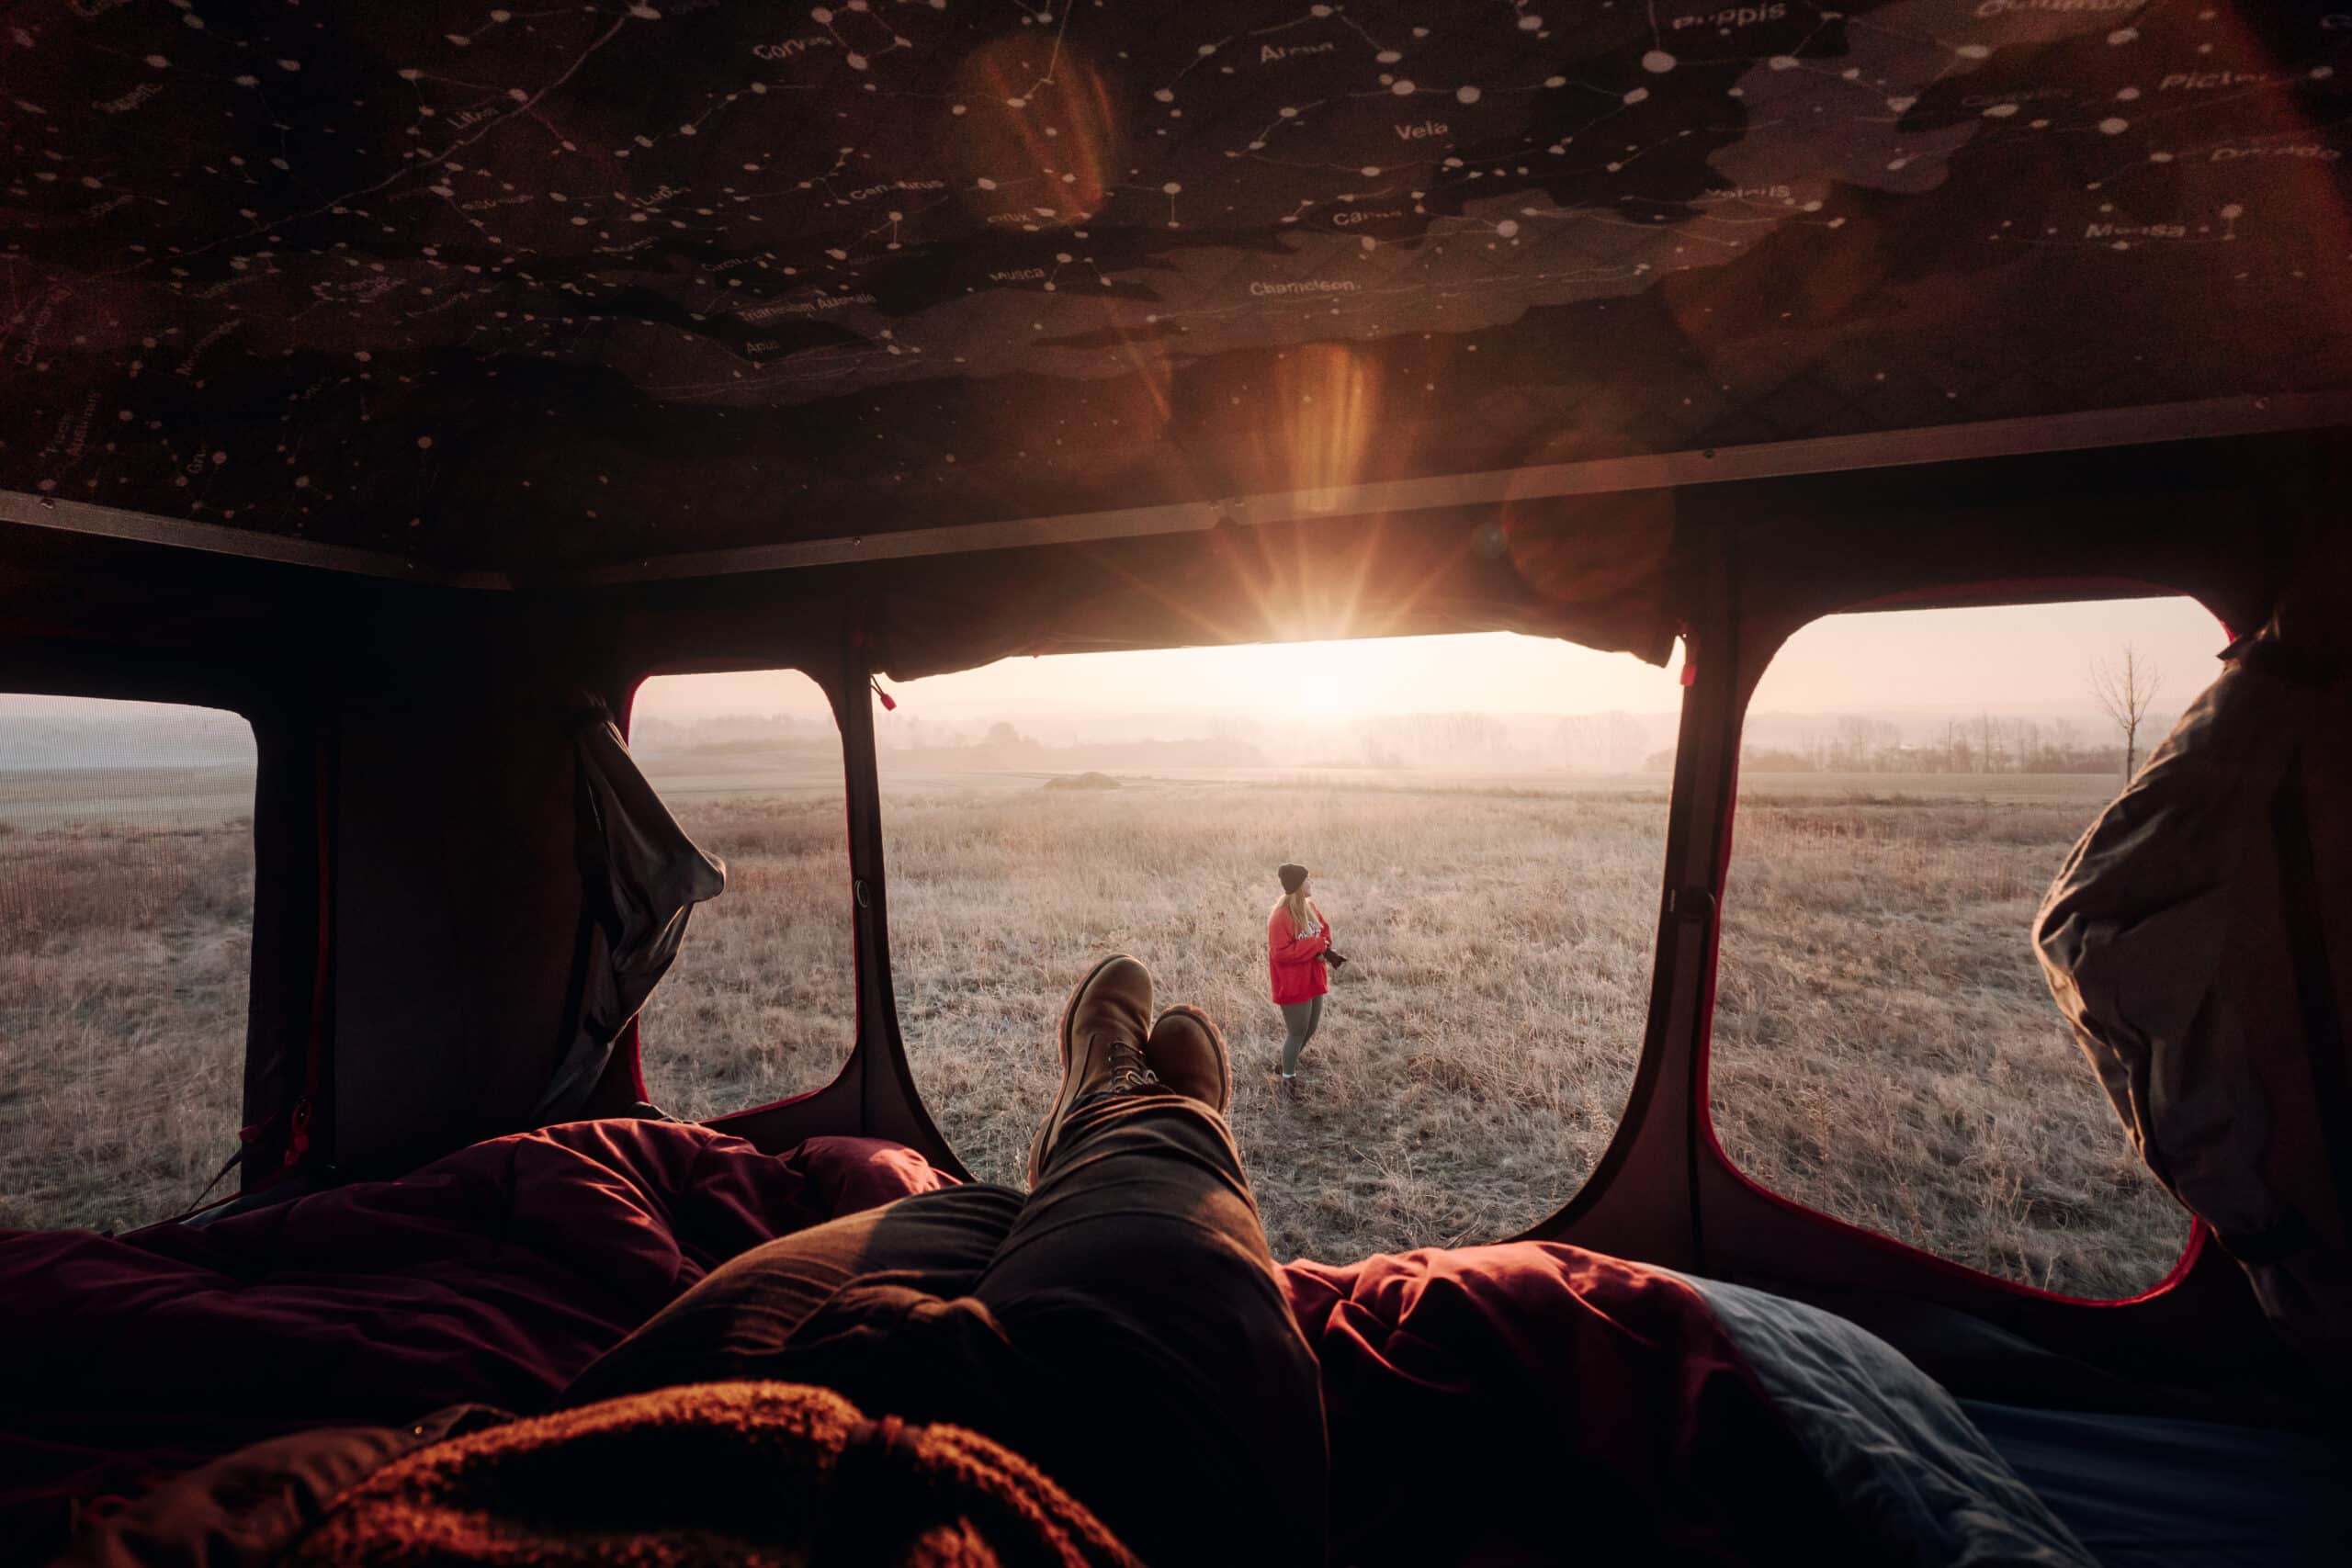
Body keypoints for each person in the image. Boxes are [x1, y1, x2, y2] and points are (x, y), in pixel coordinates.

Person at [76, 956, 1328, 1566]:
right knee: (1094, 1197)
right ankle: (1119, 1104)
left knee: (995, 1220)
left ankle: (1097, 1122)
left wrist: (440, 1447)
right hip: (1106, 1511)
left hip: (656, 1472)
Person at [1269, 862, 1342, 1086]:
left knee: (1310, 1029)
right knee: (1297, 1032)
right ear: (1299, 885)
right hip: (1293, 984)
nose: (1311, 882)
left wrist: (1324, 949)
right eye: (1308, 879)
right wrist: (1315, 946)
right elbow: (1280, 953)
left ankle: (1286, 1062)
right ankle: (1288, 1080)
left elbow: (1324, 932)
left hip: (1313, 979)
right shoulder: (1280, 917)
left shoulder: (1309, 907)